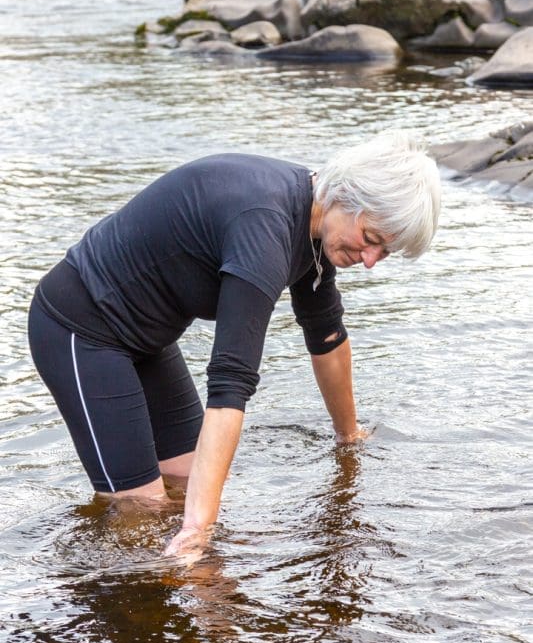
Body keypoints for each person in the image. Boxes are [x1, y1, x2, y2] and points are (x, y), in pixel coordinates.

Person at [27, 130, 441, 556]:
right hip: (81, 329)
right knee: (143, 513)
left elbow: (326, 335)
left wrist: (348, 437)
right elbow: (230, 385)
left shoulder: (317, 223)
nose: (371, 261)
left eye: (385, 252)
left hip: (148, 339)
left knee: (188, 483)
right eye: (371, 239)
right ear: (347, 195)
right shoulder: (265, 227)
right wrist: (199, 531)